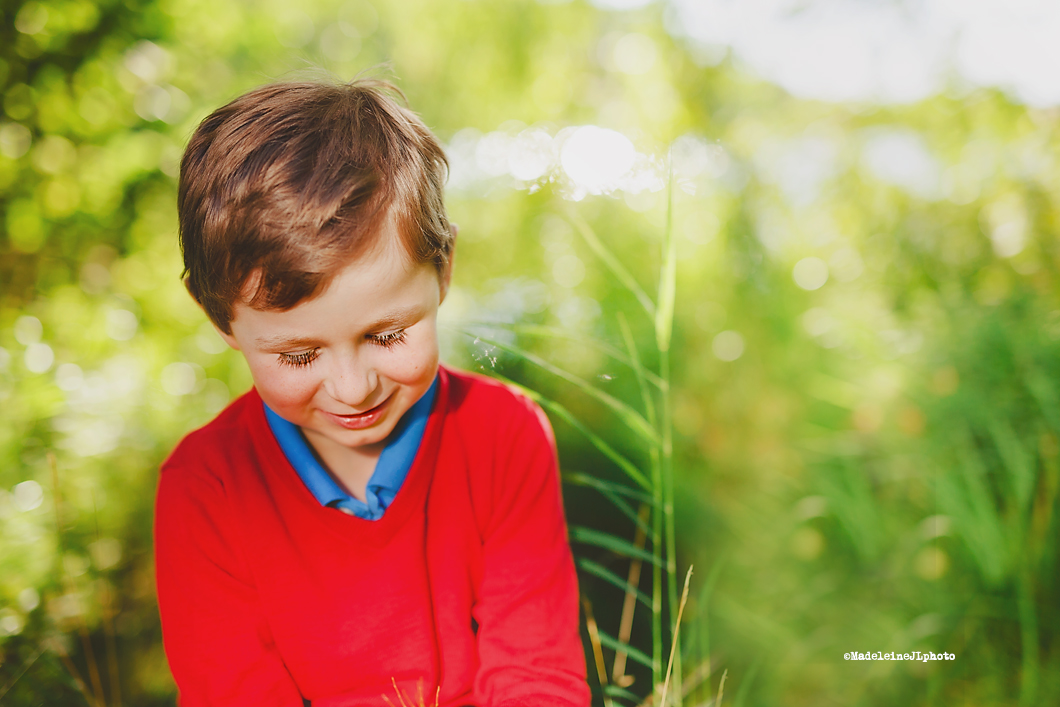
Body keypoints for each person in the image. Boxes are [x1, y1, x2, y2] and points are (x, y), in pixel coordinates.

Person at [154, 77, 590, 707]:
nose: (354, 389)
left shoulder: (503, 435)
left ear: (442, 269)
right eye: (300, 354)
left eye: (386, 336)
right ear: (221, 318)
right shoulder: (207, 487)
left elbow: (536, 679)